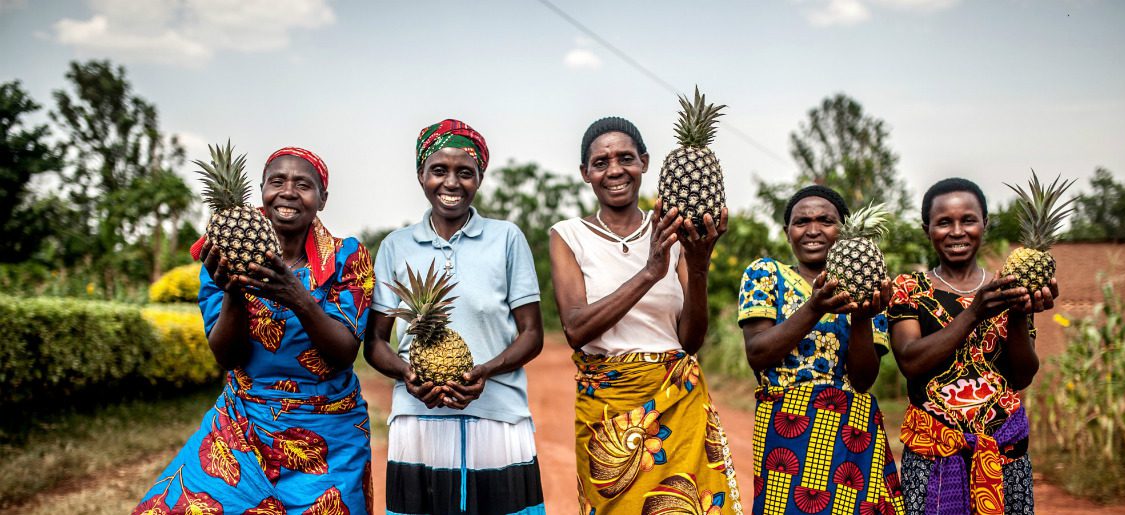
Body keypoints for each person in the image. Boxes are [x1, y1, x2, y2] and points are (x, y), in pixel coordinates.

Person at [135, 147, 375, 514]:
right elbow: (228, 357)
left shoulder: (347, 257)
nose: (289, 192)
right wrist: (234, 290)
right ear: (261, 189)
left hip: (328, 431)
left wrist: (297, 296)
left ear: (322, 199)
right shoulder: (221, 254)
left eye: (303, 184)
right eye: (277, 181)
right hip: (243, 421)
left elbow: (343, 354)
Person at [550, 116, 741, 514]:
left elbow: (691, 340)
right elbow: (575, 328)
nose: (615, 170)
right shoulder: (568, 236)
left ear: (645, 163)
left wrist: (699, 263)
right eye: (600, 162)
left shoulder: (674, 230)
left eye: (626, 158)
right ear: (585, 173)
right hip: (607, 413)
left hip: (677, 402)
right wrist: (651, 271)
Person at [364, 119, 546, 515]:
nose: (451, 183)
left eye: (465, 172)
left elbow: (532, 333)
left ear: (479, 178)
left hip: (499, 416)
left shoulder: (507, 238)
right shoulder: (396, 247)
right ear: (421, 176)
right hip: (418, 417)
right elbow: (375, 341)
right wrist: (407, 375)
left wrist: (487, 370)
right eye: (439, 171)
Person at [888, 178, 1057, 515]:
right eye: (944, 222)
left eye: (968, 220)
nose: (956, 231)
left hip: (1004, 454)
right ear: (927, 229)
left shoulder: (1008, 286)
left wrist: (1020, 314)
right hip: (932, 457)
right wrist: (975, 312)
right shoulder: (908, 288)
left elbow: (1022, 376)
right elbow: (910, 360)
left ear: (985, 224)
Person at [737, 185, 905, 515]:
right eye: (802, 222)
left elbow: (863, 380)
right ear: (787, 233)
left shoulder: (872, 286)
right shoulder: (766, 274)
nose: (813, 230)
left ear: (843, 230)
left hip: (853, 435)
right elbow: (757, 353)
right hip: (788, 432)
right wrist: (814, 306)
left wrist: (861, 316)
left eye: (825, 220)